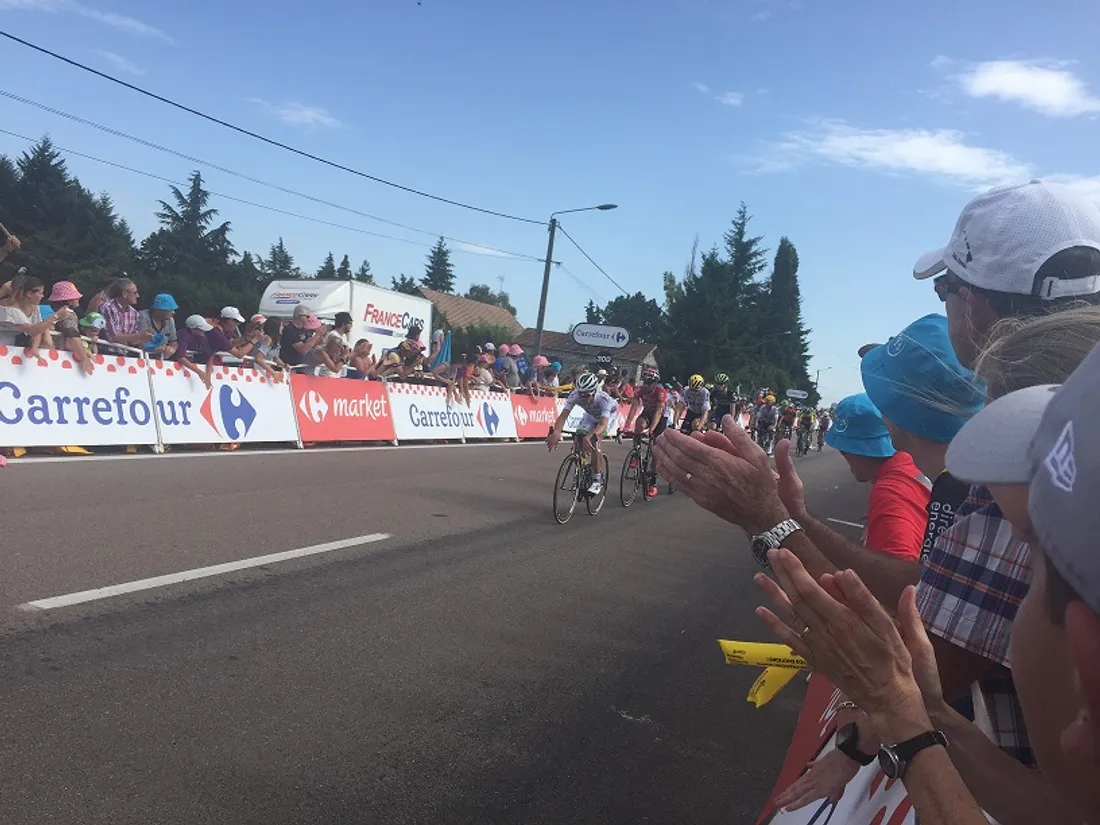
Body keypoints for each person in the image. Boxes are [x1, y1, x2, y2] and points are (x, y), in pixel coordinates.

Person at [758, 340, 1100, 825]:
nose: (1005, 592)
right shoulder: (940, 482)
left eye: (1032, 559)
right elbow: (1055, 811)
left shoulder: (905, 487)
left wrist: (771, 523)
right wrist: (915, 712)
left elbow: (910, 600)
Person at [825, 393, 930, 561]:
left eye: (843, 449)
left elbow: (895, 576)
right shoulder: (912, 464)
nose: (843, 454)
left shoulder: (890, 494)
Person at [546, 372, 615, 495]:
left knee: (595, 442)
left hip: (607, 418)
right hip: (591, 416)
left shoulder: (604, 399)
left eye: (587, 395)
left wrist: (590, 437)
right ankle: (583, 465)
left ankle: (597, 479)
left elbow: (603, 424)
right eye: (581, 395)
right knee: (579, 435)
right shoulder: (575, 395)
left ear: (594, 391)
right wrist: (557, 432)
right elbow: (563, 416)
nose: (584, 398)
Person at [625, 367, 670, 498]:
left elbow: (658, 412)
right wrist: (627, 426)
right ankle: (636, 451)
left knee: (655, 448)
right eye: (645, 382)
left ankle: (654, 481)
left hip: (660, 418)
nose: (646, 385)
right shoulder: (639, 390)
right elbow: (634, 407)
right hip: (647, 413)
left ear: (654, 383)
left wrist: (651, 430)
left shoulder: (660, 392)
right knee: (639, 424)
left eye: (649, 383)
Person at [0, 274, 67, 353]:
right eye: (40, 293)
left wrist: (34, 348)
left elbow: (37, 329)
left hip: (9, 346)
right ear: (29, 294)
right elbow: (33, 330)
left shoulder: (34, 307)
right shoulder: (10, 310)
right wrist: (56, 316)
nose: (43, 296)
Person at [46, 280, 94, 374]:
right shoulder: (68, 314)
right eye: (75, 297)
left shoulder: (45, 310)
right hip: (60, 355)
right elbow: (72, 334)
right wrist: (85, 359)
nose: (79, 298)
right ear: (69, 300)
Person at [99, 277, 151, 354]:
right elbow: (112, 336)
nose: (138, 296)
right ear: (124, 294)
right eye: (135, 293)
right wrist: (139, 335)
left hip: (124, 355)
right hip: (106, 353)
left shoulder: (134, 313)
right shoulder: (107, 308)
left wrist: (144, 338)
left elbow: (132, 341)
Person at [174, 314, 214, 388]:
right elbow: (180, 357)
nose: (204, 331)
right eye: (202, 329)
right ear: (193, 329)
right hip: (176, 368)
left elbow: (210, 355)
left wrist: (208, 375)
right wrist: (199, 372)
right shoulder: (183, 334)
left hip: (190, 366)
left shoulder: (203, 337)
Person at [137, 293, 179, 360]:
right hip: (140, 358)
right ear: (159, 309)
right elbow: (141, 344)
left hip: (160, 360)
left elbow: (173, 341)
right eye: (170, 309)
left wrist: (172, 349)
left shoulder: (170, 320)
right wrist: (163, 349)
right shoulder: (142, 317)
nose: (173, 312)